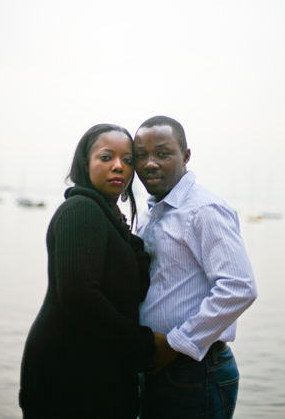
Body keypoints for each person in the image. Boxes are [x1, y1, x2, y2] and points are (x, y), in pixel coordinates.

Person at [19, 124, 157, 419]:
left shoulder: (108, 216)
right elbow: (79, 295)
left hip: (93, 368)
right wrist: (141, 345)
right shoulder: (81, 211)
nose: (118, 166)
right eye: (106, 157)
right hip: (67, 374)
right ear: (86, 163)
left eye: (128, 160)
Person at [134, 116, 258, 419]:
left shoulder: (203, 209)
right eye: (141, 155)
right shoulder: (157, 211)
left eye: (163, 153)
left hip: (196, 372)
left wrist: (176, 343)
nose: (150, 163)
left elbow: (239, 287)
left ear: (185, 156)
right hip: (160, 369)